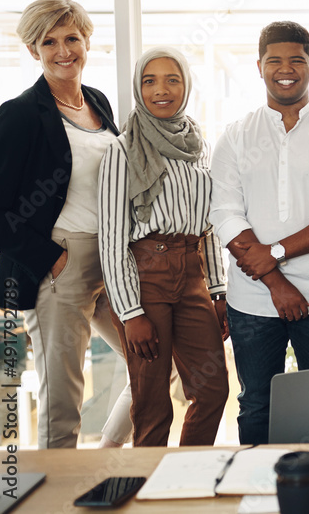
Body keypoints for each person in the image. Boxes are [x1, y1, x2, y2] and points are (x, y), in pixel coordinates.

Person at [209, 21, 309, 445]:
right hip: (253, 300)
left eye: (296, 60)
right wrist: (276, 281)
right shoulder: (236, 136)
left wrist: (274, 252)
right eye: (274, 60)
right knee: (258, 403)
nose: (286, 69)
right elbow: (225, 214)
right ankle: (259, 495)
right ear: (259, 66)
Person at [0, 0, 132, 448]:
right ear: (34, 51)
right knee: (63, 398)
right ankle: (57, 498)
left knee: (154, 364)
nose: (63, 50)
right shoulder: (20, 114)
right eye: (49, 41)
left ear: (87, 42)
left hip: (112, 257)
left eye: (72, 37)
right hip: (60, 261)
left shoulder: (99, 103)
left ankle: (104, 458)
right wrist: (51, 259)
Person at [98, 46, 229, 446]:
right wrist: (130, 312)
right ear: (139, 89)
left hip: (193, 274)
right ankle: (147, 496)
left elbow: (208, 225)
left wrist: (218, 291)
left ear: (186, 86)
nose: (161, 90)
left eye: (172, 79)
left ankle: (188, 475)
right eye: (149, 81)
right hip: (146, 278)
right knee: (152, 401)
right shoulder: (122, 150)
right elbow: (111, 238)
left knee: (212, 391)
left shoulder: (197, 147)